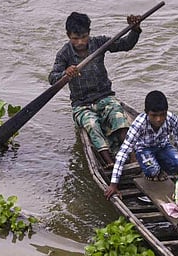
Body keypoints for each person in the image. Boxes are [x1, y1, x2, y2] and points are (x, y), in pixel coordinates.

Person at [48, 11, 142, 170]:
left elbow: (126, 45)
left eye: (84, 37)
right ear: (68, 36)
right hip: (82, 104)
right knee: (92, 124)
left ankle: (132, 159)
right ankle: (109, 162)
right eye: (75, 38)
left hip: (104, 97)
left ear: (89, 33)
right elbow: (52, 78)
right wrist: (66, 73)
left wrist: (135, 29)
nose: (80, 42)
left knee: (119, 117)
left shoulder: (99, 43)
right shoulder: (64, 53)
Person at [104, 90, 178, 199]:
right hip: (144, 149)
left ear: (166, 111)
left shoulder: (172, 120)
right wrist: (113, 184)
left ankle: (160, 167)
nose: (158, 119)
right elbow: (123, 152)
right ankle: (153, 170)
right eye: (154, 115)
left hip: (163, 146)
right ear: (146, 112)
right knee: (153, 170)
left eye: (162, 114)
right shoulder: (139, 124)